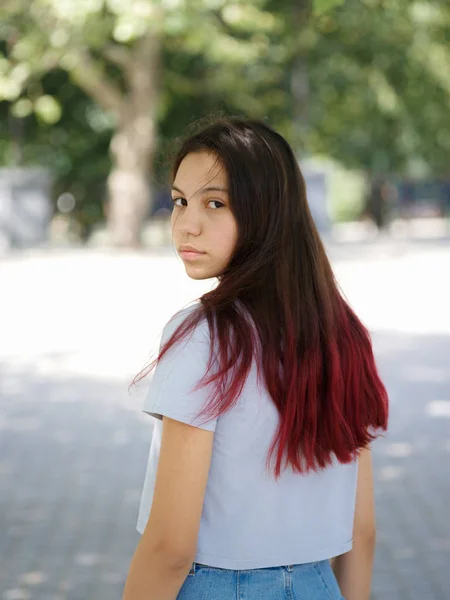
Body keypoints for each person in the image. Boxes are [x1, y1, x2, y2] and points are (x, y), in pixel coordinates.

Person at [122, 117, 389, 600]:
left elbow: (170, 548)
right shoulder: (343, 335)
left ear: (267, 212)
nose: (187, 222)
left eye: (216, 203)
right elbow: (362, 532)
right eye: (180, 200)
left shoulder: (204, 336)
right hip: (318, 586)